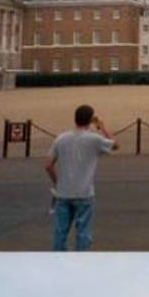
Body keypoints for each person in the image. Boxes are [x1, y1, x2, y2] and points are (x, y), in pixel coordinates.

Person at [45, 104, 119, 251]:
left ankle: (57, 263)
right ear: (90, 120)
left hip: (63, 192)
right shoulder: (94, 139)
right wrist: (101, 126)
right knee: (83, 232)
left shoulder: (61, 138)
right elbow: (115, 145)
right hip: (84, 192)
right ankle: (81, 263)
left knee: (60, 232)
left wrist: (57, 183)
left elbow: (48, 165)